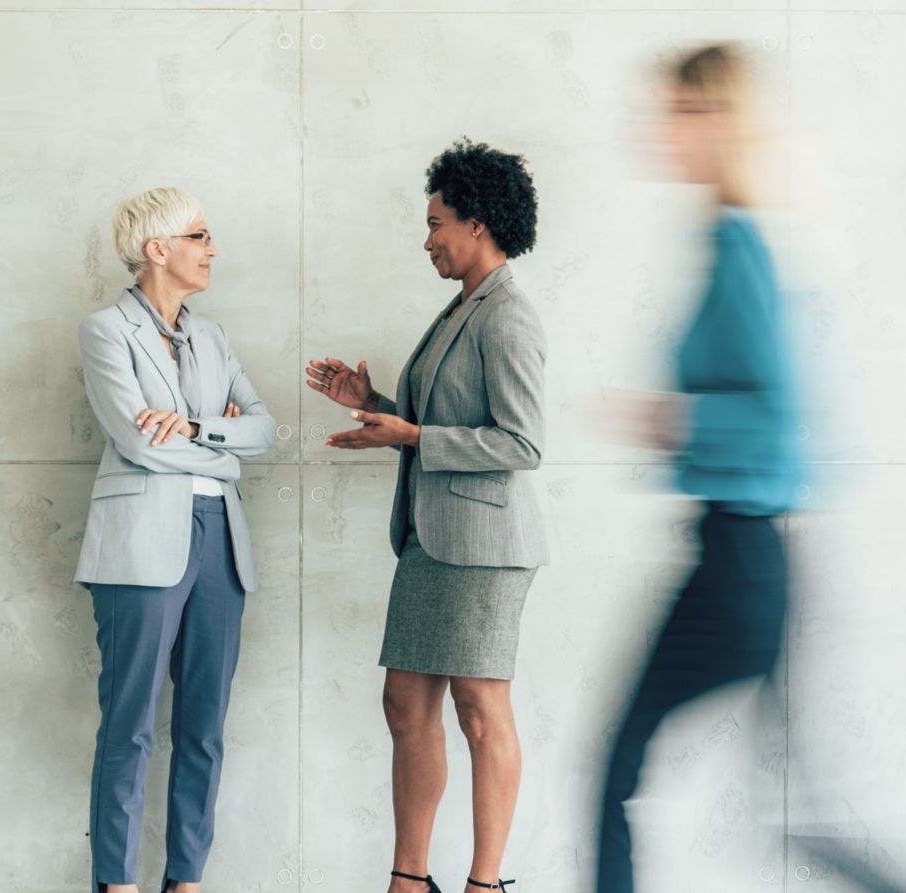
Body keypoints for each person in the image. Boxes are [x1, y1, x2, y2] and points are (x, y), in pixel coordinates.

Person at [306, 138, 547, 893]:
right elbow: (440, 417)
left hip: (482, 544)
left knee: (479, 709)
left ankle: (485, 883)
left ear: (477, 222)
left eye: (438, 220)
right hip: (430, 540)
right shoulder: (460, 309)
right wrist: (373, 405)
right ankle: (409, 880)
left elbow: (522, 442)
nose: (428, 237)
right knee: (405, 703)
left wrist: (411, 434)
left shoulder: (507, 314)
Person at [591, 44, 801, 893]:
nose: (663, 130)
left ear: (719, 121)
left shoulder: (740, 242)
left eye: (679, 112)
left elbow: (778, 414)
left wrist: (672, 416)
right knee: (797, 816)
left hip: (741, 560)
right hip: (736, 553)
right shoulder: (727, 236)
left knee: (617, 769)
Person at [75, 186, 276, 893]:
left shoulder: (213, 336)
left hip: (220, 539)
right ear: (157, 249)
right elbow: (137, 440)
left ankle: (186, 881)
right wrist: (224, 448)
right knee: (128, 724)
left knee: (204, 726)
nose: (212, 248)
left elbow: (266, 429)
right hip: (138, 543)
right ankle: (117, 883)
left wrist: (195, 428)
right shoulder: (105, 331)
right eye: (200, 235)